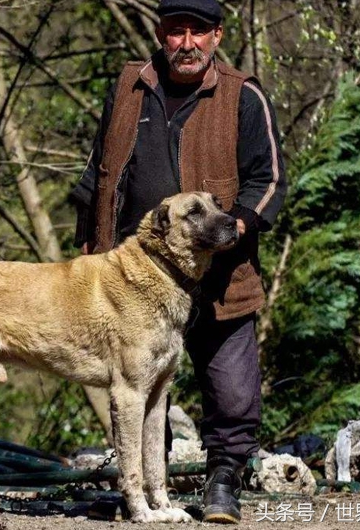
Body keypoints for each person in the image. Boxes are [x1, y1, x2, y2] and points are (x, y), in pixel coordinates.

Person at [69, 0, 287, 523]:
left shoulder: (243, 94)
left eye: (197, 32)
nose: (185, 43)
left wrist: (236, 226)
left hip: (220, 273)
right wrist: (87, 241)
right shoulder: (129, 86)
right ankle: (144, 489)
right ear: (161, 33)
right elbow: (99, 169)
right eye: (174, 31)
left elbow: (270, 181)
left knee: (231, 391)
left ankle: (223, 483)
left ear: (216, 36)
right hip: (134, 277)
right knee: (137, 390)